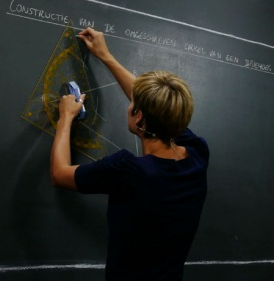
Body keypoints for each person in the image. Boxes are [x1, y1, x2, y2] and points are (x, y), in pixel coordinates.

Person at [50, 27, 209, 281]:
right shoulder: (197, 154)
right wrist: (107, 56)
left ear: (140, 117)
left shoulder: (130, 171)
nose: (130, 103)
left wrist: (65, 118)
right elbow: (157, 106)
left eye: (133, 104)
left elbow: (60, 174)